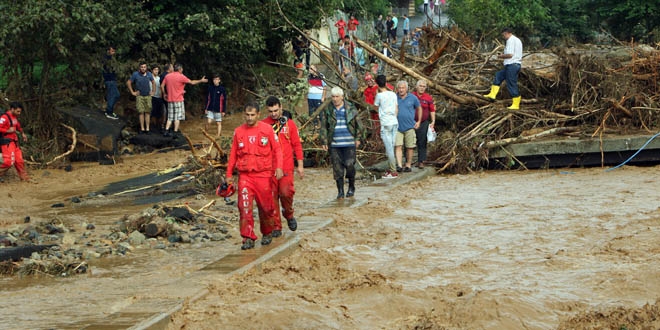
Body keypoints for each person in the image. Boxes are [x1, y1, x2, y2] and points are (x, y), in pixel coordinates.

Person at [226, 102, 283, 250]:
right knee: (244, 207)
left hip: (263, 176)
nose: (249, 118)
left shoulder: (268, 130)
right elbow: (233, 154)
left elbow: (277, 150)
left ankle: (267, 232)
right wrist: (229, 174)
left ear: (258, 115)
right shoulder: (238, 132)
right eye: (247, 115)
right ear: (244, 115)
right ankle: (248, 237)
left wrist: (279, 167)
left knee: (266, 207)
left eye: (252, 115)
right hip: (245, 176)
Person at [262, 96, 303, 237]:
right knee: (271, 198)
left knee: (286, 193)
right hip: (269, 169)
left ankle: (289, 213)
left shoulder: (289, 124)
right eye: (270, 111)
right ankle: (276, 227)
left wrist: (300, 165)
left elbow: (297, 144)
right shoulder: (263, 125)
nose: (273, 113)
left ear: (280, 107)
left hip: (286, 167)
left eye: (276, 110)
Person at [319, 87, 363, 199]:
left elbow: (359, 125)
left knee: (350, 165)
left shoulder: (350, 108)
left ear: (342, 97)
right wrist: (324, 140)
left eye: (337, 96)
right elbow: (324, 126)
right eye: (333, 97)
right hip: (334, 144)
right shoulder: (328, 109)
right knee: (337, 169)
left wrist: (358, 138)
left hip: (349, 143)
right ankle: (340, 192)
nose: (335, 99)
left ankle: (351, 187)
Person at [160, 63, 208, 138]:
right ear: (179, 69)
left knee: (170, 116)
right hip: (178, 99)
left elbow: (162, 86)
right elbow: (192, 82)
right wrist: (201, 80)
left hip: (170, 99)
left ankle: (166, 131)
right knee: (177, 117)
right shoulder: (181, 76)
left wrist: (164, 94)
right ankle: (175, 133)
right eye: (182, 69)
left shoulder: (167, 76)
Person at [483, 27, 523, 110]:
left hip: (512, 65)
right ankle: (492, 94)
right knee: (498, 75)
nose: (503, 37)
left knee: (511, 83)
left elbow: (510, 55)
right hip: (511, 65)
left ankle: (516, 104)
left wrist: (500, 56)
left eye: (503, 35)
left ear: (506, 33)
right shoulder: (515, 40)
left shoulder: (511, 40)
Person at [373, 75, 399, 179]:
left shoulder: (379, 96)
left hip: (385, 123)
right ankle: (391, 168)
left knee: (389, 149)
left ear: (377, 84)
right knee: (392, 146)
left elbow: (375, 107)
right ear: (386, 82)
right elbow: (396, 108)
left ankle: (393, 171)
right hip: (394, 122)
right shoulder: (393, 94)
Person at [395, 80, 421, 172]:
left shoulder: (413, 98)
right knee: (398, 146)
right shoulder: (394, 97)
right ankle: (399, 165)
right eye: (399, 88)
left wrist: (419, 121)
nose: (401, 90)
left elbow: (419, 108)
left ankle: (408, 165)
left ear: (406, 89)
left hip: (410, 126)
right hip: (397, 127)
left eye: (403, 88)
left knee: (410, 147)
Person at [0, 102, 29, 182]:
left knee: (19, 161)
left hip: (15, 142)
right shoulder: (4, 117)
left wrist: (23, 133)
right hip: (7, 142)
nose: (19, 113)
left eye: (20, 111)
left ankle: (25, 179)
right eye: (18, 111)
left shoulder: (14, 117)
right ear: (12, 109)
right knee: (8, 162)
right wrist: (7, 130)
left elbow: (18, 126)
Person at [411, 79, 436, 169]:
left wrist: (433, 121)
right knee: (409, 142)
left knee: (422, 141)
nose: (422, 88)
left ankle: (421, 161)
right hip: (411, 122)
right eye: (420, 86)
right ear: (416, 87)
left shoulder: (428, 97)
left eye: (423, 86)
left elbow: (432, 110)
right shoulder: (411, 96)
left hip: (423, 122)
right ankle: (407, 161)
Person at [127, 62, 156, 134]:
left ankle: (147, 128)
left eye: (144, 67)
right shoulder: (135, 74)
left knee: (147, 112)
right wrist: (132, 92)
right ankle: (142, 128)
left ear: (146, 68)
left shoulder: (149, 74)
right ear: (139, 68)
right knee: (141, 112)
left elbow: (153, 82)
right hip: (139, 96)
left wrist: (153, 91)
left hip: (147, 96)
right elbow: (128, 82)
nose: (143, 68)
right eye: (142, 67)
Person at [102, 46, 120, 120]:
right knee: (113, 95)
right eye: (112, 51)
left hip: (113, 80)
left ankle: (110, 110)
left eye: (114, 51)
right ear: (108, 51)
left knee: (117, 95)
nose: (113, 52)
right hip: (109, 80)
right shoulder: (106, 59)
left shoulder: (112, 60)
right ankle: (109, 112)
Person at [150, 66, 166, 133]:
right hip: (152, 97)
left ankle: (159, 126)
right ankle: (153, 125)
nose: (156, 71)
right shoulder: (150, 78)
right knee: (153, 112)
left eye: (157, 70)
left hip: (159, 97)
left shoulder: (159, 78)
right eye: (155, 69)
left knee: (160, 113)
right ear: (152, 70)